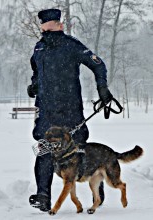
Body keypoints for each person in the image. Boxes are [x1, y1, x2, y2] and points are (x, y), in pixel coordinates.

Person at [27, 9, 113, 212]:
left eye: (55, 22)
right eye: (48, 23)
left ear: (60, 25)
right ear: (42, 26)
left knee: (80, 150)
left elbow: (98, 65)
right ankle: (43, 196)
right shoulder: (39, 49)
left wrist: (102, 88)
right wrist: (34, 86)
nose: (52, 25)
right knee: (44, 150)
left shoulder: (72, 45)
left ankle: (97, 193)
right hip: (47, 112)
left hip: (70, 110)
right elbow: (36, 72)